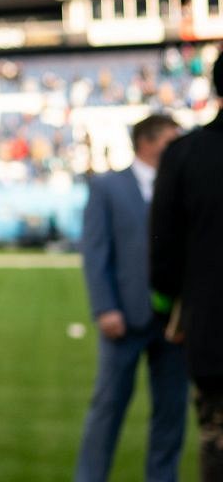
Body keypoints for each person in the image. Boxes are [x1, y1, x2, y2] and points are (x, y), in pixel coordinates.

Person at [76, 114, 187, 482]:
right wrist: (105, 307)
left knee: (171, 414)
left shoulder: (184, 185)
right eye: (173, 139)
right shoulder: (108, 187)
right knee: (107, 410)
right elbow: (95, 251)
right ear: (148, 142)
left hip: (173, 322)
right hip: (123, 316)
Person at [151, 61, 223, 482]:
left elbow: (164, 253)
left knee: (216, 448)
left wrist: (168, 311)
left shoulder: (186, 155)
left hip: (213, 335)